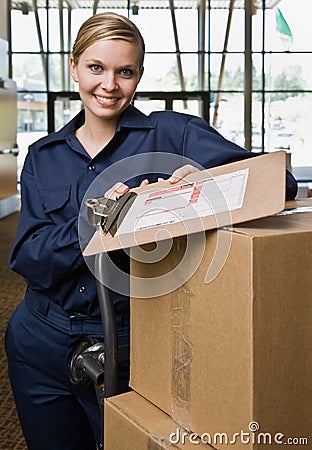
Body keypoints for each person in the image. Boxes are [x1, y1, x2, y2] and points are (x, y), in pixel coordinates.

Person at [5, 11, 297, 450]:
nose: (109, 85)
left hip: (133, 339)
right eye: (96, 68)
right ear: (74, 67)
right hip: (39, 340)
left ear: (139, 74)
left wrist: (196, 186)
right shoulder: (42, 156)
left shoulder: (173, 133)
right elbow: (29, 259)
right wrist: (101, 221)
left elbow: (277, 182)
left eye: (125, 72)